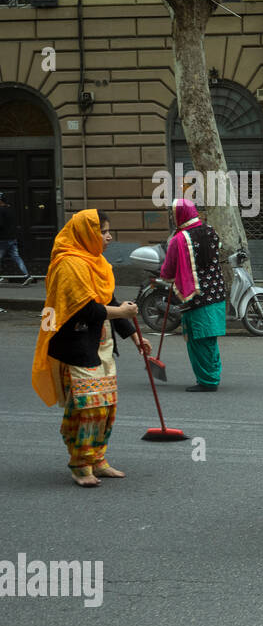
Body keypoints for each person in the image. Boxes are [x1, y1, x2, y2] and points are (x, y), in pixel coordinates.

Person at [31, 210, 152, 487]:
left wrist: (135, 338)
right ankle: (80, 463)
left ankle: (98, 458)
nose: (108, 237)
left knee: (107, 407)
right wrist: (121, 312)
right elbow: (84, 310)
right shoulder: (68, 264)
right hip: (76, 347)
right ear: (85, 233)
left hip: (102, 346)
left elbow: (111, 300)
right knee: (87, 408)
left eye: (108, 231)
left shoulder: (97, 262)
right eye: (103, 231)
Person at [159, 198, 227, 392]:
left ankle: (207, 380)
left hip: (195, 297)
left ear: (179, 215)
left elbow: (167, 271)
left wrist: (168, 276)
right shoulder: (210, 230)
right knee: (209, 339)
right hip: (216, 293)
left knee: (198, 340)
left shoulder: (179, 239)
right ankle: (213, 375)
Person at [0, 191, 34, 285]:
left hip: (3, 239)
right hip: (12, 238)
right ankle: (27, 275)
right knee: (16, 257)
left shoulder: (1, 210)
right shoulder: (10, 209)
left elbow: (1, 225)